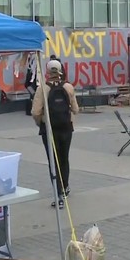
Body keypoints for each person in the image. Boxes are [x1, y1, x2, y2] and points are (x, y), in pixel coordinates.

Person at [32, 60, 79, 209]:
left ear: (47, 72)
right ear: (61, 71)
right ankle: (65, 187)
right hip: (66, 128)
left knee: (53, 161)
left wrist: (41, 122)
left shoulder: (42, 89)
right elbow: (76, 109)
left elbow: (35, 112)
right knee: (64, 158)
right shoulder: (68, 87)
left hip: (49, 129)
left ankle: (57, 193)